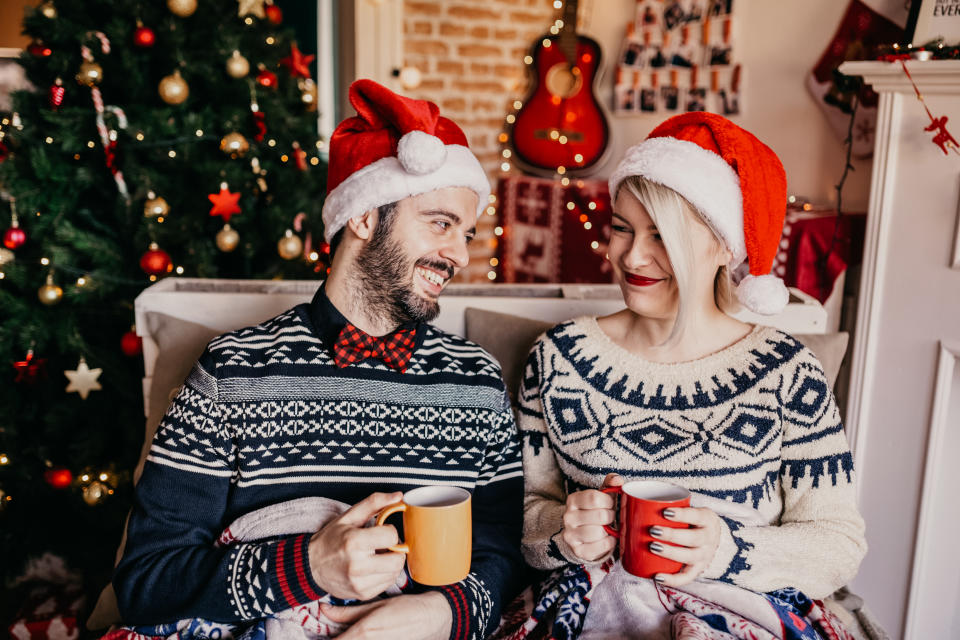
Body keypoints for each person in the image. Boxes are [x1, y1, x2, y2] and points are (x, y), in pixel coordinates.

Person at [112, 79, 524, 640]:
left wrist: (436, 614)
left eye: (466, 233)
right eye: (440, 223)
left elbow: (505, 554)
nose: (460, 255)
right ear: (363, 218)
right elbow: (145, 583)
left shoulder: (476, 380)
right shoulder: (233, 372)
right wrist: (307, 566)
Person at [515, 112, 867, 638]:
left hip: (745, 613)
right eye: (622, 228)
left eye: (662, 235)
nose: (633, 255)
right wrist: (561, 530)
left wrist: (730, 548)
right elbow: (519, 511)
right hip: (587, 612)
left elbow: (839, 543)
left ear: (724, 246)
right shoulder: (557, 359)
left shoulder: (787, 373)